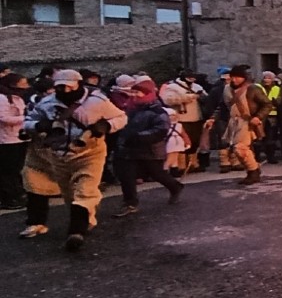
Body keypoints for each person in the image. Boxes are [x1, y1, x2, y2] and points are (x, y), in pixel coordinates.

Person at [19, 69, 127, 251]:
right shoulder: (46, 104)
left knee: (85, 190)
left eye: (68, 87)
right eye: (60, 87)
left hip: (90, 152)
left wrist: (106, 126)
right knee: (70, 195)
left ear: (78, 85)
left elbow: (121, 117)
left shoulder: (97, 101)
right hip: (59, 154)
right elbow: (28, 121)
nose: (65, 91)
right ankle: (86, 219)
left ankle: (76, 232)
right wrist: (39, 125)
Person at [112, 79, 184, 218]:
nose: (135, 95)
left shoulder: (158, 111)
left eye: (138, 92)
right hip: (127, 149)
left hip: (150, 150)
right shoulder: (128, 109)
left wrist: (138, 137)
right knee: (126, 176)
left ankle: (175, 187)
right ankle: (130, 203)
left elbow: (160, 130)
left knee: (157, 174)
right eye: (133, 92)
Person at [207, 65, 270, 186]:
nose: (234, 80)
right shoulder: (227, 89)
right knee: (238, 149)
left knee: (240, 148)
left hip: (248, 121)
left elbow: (267, 104)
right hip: (233, 122)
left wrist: (258, 117)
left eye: (237, 77)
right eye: (232, 77)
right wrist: (212, 118)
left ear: (243, 78)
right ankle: (253, 170)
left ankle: (253, 171)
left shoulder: (253, 89)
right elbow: (221, 107)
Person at [160, 69, 208, 175]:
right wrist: (187, 97)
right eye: (189, 76)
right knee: (181, 142)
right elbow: (167, 100)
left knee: (195, 141)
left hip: (196, 117)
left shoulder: (197, 87)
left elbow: (205, 97)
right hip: (181, 118)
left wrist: (202, 97)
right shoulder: (172, 87)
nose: (192, 79)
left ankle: (193, 163)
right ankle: (180, 165)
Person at [0, 73, 30, 211]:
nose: (26, 86)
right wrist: (24, 118)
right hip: (7, 139)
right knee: (8, 170)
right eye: (22, 83)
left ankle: (18, 194)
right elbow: (4, 118)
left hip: (19, 137)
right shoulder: (3, 98)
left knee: (17, 168)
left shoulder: (17, 98)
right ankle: (9, 197)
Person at [255, 71, 282, 164]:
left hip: (272, 115)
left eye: (269, 78)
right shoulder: (257, 87)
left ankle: (271, 156)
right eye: (265, 78)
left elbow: (278, 101)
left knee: (271, 137)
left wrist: (273, 102)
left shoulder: (277, 88)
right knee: (258, 136)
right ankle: (256, 156)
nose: (267, 80)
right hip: (259, 115)